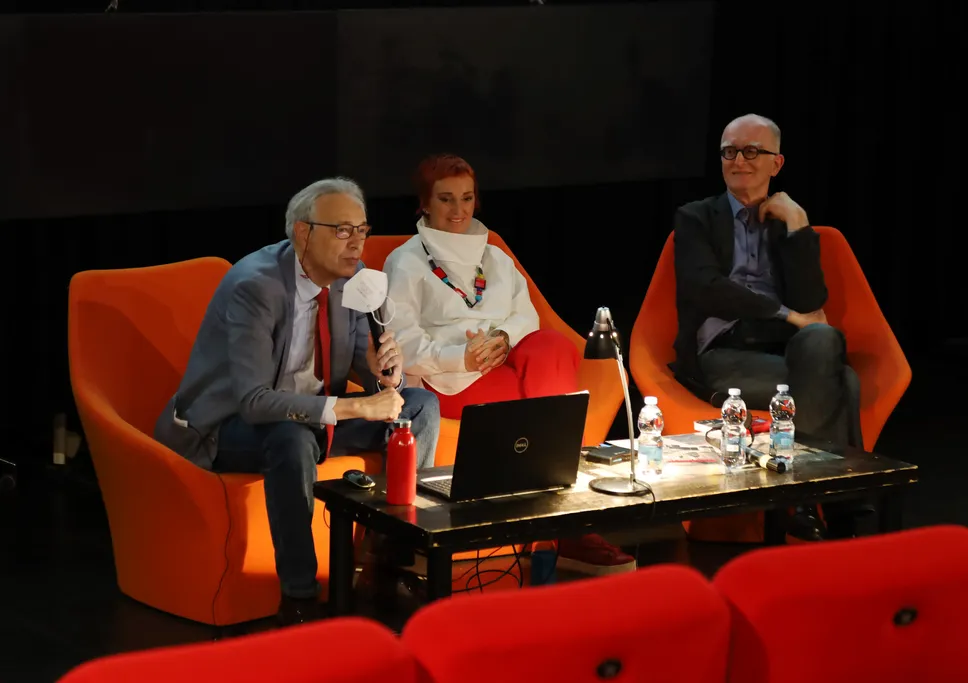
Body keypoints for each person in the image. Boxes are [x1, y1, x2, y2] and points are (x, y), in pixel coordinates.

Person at [154, 177, 440, 626]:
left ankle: (387, 561)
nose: (357, 244)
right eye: (343, 231)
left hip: (313, 414)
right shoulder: (256, 286)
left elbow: (370, 370)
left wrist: (390, 371)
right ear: (303, 233)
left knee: (420, 406)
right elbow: (253, 401)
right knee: (292, 438)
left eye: (362, 230)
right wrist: (350, 408)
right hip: (227, 427)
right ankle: (300, 598)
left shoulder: (353, 281)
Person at [383, 153, 635, 574]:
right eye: (446, 199)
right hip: (450, 379)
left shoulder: (495, 257)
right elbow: (402, 340)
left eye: (466, 198)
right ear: (424, 203)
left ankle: (549, 524)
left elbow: (527, 317)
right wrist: (460, 355)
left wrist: (502, 339)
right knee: (546, 398)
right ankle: (561, 525)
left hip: (507, 366)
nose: (459, 210)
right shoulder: (405, 261)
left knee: (552, 346)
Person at [672, 114, 867, 539]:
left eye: (751, 151)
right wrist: (785, 314)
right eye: (729, 151)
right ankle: (837, 502)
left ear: (776, 164)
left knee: (821, 340)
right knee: (844, 381)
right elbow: (707, 289)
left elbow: (812, 301)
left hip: (782, 351)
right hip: (725, 351)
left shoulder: (787, 221)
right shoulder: (695, 218)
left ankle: (800, 500)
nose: (738, 160)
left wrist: (798, 226)